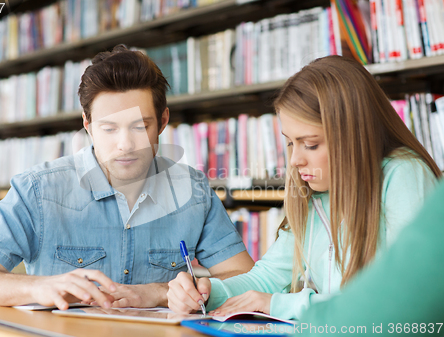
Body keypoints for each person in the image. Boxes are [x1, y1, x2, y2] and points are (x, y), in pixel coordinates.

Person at [0, 45, 254, 310]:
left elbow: (249, 280)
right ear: (88, 124)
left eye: (139, 126)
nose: (125, 144)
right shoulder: (38, 191)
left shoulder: (194, 192)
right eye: (109, 129)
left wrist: (160, 293)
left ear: (162, 121)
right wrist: (35, 287)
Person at [166, 55, 442, 320]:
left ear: (352, 136)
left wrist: (281, 304)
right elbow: (269, 277)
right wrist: (208, 292)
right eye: (290, 142)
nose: (295, 160)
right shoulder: (311, 195)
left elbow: (401, 297)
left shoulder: (405, 175)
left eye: (310, 144)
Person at [299, 180, 444, 336]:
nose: (294, 161)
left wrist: (287, 305)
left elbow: (397, 303)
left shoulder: (403, 171)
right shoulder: (317, 200)